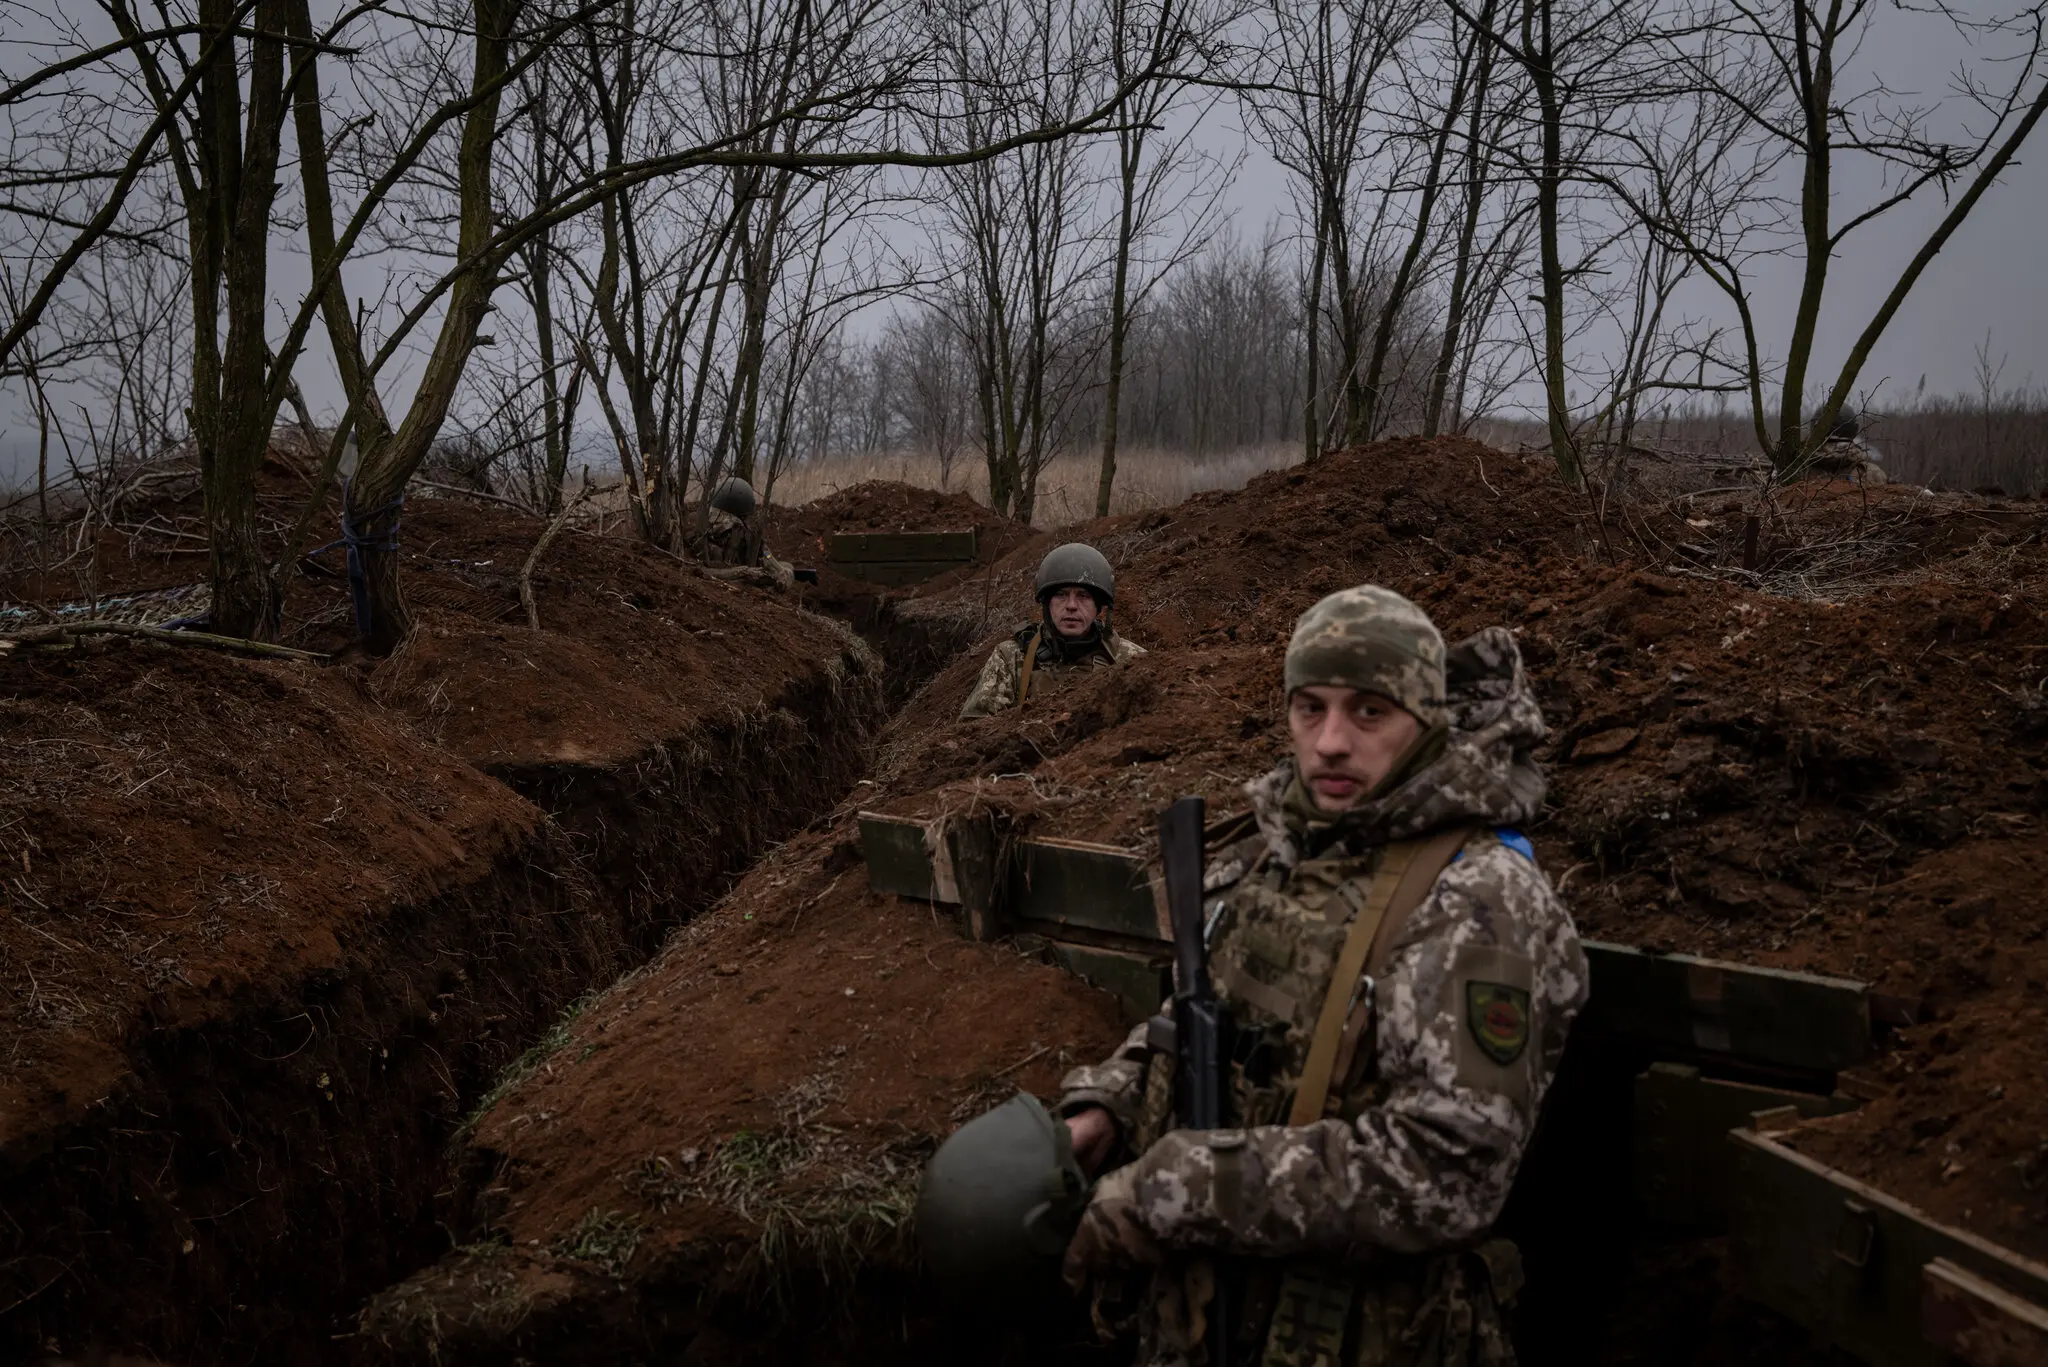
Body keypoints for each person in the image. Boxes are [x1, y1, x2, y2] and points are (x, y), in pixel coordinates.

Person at [1055, 584, 1588, 1367]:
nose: (1331, 741)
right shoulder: (1286, 852)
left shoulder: (1480, 901)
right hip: (1214, 1318)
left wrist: (1180, 1190)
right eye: (1311, 708)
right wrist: (1114, 1098)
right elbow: (1215, 1020)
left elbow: (1445, 1171)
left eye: (1369, 711)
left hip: (1357, 1332)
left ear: (1427, 722)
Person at [958, 542, 1145, 719]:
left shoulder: (1131, 659)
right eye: (1061, 595)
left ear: (1100, 607)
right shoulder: (1012, 657)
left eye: (1083, 596)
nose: (1071, 605)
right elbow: (975, 733)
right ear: (1047, 604)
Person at [690, 476, 796, 586]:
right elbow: (768, 558)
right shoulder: (740, 530)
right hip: (739, 577)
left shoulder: (700, 520)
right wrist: (784, 573)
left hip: (707, 571)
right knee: (788, 567)